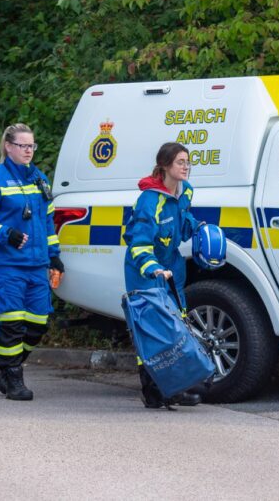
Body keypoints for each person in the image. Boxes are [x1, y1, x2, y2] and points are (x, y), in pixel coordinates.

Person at [0, 123, 63, 401]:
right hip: (6, 265)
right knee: (11, 323)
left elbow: (47, 221)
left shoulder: (39, 179)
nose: (28, 151)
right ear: (8, 147)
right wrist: (4, 234)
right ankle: (13, 377)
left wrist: (54, 256)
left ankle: (8, 367)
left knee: (38, 323)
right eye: (23, 145)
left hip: (36, 264)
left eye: (31, 146)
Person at [123, 142, 203, 409]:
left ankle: (175, 384)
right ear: (165, 166)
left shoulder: (186, 191)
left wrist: (198, 229)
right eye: (180, 162)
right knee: (151, 328)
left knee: (176, 324)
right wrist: (151, 267)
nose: (186, 167)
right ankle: (153, 389)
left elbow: (182, 225)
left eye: (187, 162)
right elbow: (138, 241)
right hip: (145, 269)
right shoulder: (150, 200)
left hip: (171, 266)